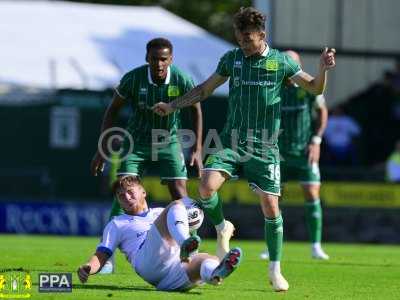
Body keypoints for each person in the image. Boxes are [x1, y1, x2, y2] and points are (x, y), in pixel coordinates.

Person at [153, 7, 335, 292]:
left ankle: (275, 269)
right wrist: (172, 105)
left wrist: (323, 68)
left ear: (262, 36)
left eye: (248, 38)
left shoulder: (280, 63)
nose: (243, 43)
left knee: (271, 205)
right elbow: (203, 90)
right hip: (231, 141)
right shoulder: (232, 59)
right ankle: (222, 226)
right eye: (239, 38)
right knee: (205, 187)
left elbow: (314, 88)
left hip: (264, 147)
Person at [90, 38, 203, 272]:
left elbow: (196, 110)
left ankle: (190, 249)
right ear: (147, 59)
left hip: (168, 141)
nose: (159, 63)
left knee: (180, 194)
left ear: (170, 59)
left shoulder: (182, 79)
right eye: (154, 59)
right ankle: (107, 257)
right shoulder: (133, 79)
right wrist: (102, 148)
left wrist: (198, 148)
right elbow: (112, 110)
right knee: (122, 190)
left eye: (163, 59)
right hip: (136, 141)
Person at [77, 176, 242, 291]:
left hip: (168, 277)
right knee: (177, 205)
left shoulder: (160, 213)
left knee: (206, 260)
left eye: (130, 191)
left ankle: (215, 274)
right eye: (121, 195)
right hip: (146, 260)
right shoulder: (116, 223)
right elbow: (102, 254)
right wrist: (88, 267)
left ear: (143, 192)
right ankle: (186, 244)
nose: (126, 197)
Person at [260, 50, 329, 261]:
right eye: (286, 62)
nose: (288, 66)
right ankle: (270, 246)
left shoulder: (307, 86)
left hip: (304, 152)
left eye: (293, 62)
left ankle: (316, 246)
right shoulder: (272, 87)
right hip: (277, 153)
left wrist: (316, 140)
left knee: (311, 192)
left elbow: (322, 112)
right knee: (272, 199)